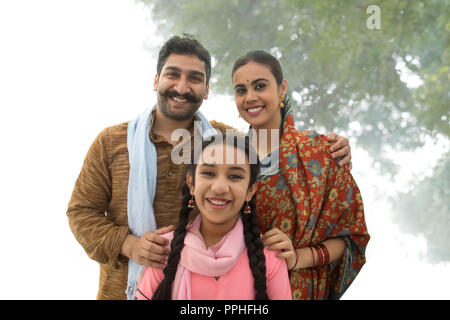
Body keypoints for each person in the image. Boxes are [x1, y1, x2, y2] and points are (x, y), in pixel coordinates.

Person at [67, 35, 352, 300]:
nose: (181, 87)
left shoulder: (228, 142)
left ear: (206, 90)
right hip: (119, 290)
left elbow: (274, 160)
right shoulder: (111, 143)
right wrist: (130, 245)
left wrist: (326, 149)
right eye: (172, 74)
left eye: (194, 78)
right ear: (156, 80)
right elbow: (81, 212)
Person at [231, 50, 370, 299]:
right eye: (241, 90)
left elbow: (351, 236)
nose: (250, 97)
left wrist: (297, 258)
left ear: (282, 88)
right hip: (237, 291)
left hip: (300, 290)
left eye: (260, 86)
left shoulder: (321, 151)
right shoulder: (227, 157)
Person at [136, 134, 292, 300]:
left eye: (235, 176)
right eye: (209, 173)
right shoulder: (163, 250)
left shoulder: (269, 256)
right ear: (192, 184)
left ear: (250, 191)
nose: (219, 187)